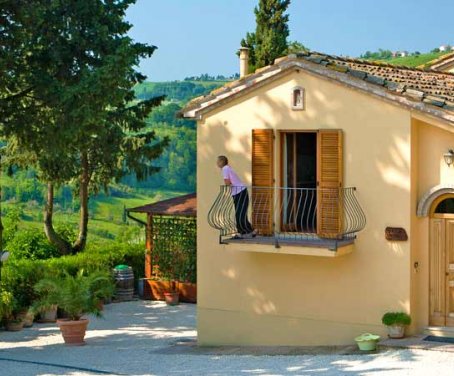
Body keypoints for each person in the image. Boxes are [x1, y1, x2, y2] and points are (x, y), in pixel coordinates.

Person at [217, 155, 257, 239]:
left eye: (218, 161)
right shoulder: (228, 168)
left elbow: (227, 182)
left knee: (239, 214)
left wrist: (228, 185)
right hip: (240, 192)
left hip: (239, 193)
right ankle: (250, 231)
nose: (217, 163)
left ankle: (241, 232)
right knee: (241, 214)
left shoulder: (225, 169)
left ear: (221, 162)